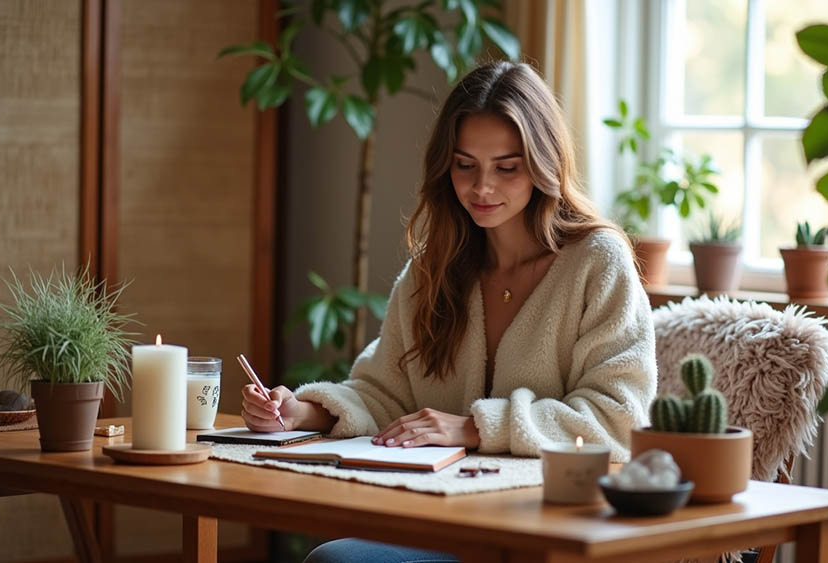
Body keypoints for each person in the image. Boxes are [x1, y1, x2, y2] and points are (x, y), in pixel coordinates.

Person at [242, 60, 658, 563]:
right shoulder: (432, 270)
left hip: (552, 534)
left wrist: (476, 426)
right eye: (465, 165)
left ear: (544, 163)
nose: (482, 188)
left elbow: (618, 420)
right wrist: (301, 412)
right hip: (444, 525)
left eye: (507, 167)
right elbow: (384, 392)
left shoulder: (597, 263)